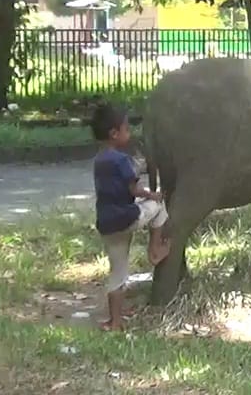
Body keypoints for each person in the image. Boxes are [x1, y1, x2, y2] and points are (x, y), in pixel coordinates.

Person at [91, 102, 169, 331]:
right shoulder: (121, 160)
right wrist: (153, 194)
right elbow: (135, 190)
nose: (129, 133)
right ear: (114, 134)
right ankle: (155, 250)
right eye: (126, 129)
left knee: (118, 272)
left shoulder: (100, 160)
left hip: (107, 223)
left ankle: (114, 320)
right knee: (159, 208)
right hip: (127, 217)